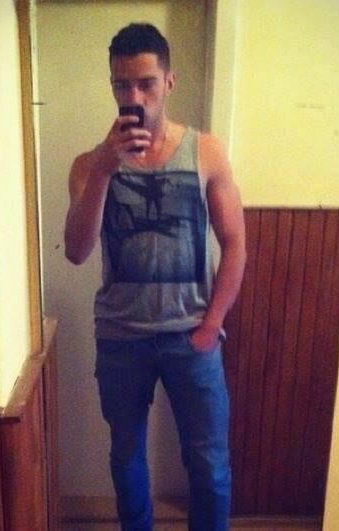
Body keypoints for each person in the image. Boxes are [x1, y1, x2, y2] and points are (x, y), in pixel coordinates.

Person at [64, 23, 246, 531]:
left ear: (169, 81)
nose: (134, 97)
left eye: (145, 83)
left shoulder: (206, 152)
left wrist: (212, 324)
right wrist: (104, 170)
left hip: (193, 337)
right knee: (126, 458)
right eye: (122, 85)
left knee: (210, 465)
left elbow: (235, 244)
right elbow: (76, 251)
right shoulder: (88, 164)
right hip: (121, 337)